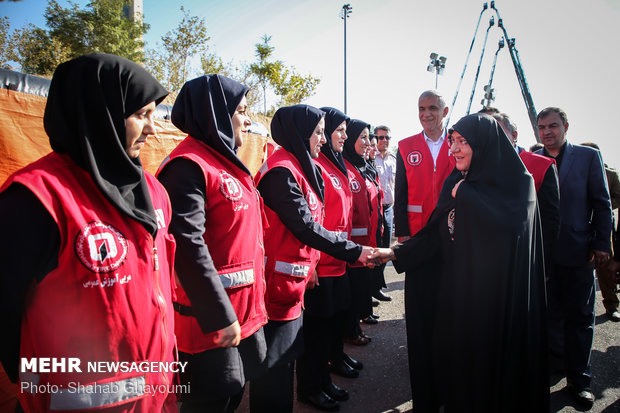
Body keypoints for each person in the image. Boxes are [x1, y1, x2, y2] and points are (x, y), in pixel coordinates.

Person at [0, 54, 178, 412]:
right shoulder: (35, 199)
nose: (152, 129)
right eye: (141, 115)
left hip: (155, 398)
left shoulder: (153, 189)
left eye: (152, 115)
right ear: (100, 114)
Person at [371, 113, 549, 412]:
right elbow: (434, 234)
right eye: (452, 141)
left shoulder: (519, 184)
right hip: (458, 299)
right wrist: (394, 253)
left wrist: (467, 195)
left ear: (484, 144)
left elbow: (509, 230)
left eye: (462, 142)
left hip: (496, 307)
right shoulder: (457, 180)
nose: (453, 149)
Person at [156, 75, 267, 413]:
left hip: (243, 314)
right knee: (210, 402)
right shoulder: (186, 167)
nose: (249, 121)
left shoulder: (226, 162)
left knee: (234, 395)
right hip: (209, 325)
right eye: (242, 111)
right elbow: (188, 247)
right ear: (216, 114)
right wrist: (219, 315)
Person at [251, 105, 372, 413]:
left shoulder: (298, 165)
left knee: (292, 353)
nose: (322, 138)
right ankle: (306, 391)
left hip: (296, 281)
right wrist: (356, 251)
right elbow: (306, 226)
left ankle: (316, 385)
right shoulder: (281, 171)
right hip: (277, 285)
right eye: (318, 132)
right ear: (299, 133)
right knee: (276, 365)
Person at [535, 107, 612, 408]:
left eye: (553, 126)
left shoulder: (588, 157)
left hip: (580, 252)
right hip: (542, 256)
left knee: (580, 319)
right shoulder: (532, 159)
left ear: (566, 126)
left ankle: (580, 381)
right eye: (542, 127)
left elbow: (602, 203)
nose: (547, 132)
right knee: (550, 316)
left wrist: (601, 243)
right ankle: (555, 366)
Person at [393, 90, 455, 407]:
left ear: (445, 111)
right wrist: (403, 237)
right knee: (419, 321)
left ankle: (448, 388)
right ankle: (425, 398)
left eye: (432, 108)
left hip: (450, 245)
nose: (426, 114)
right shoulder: (405, 146)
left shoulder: (458, 142)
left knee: (449, 320)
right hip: (417, 246)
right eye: (421, 108)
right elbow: (400, 195)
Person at [296, 106, 360, 411]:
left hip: (338, 259)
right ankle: (311, 385)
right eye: (339, 131)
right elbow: (311, 219)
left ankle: (326, 374)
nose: (344, 137)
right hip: (321, 263)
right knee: (317, 331)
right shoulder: (316, 166)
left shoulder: (334, 164)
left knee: (333, 323)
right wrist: (313, 264)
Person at [491, 112, 561, 280]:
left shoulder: (541, 165)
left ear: (514, 135)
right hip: (491, 263)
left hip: (527, 260)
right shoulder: (474, 167)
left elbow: (550, 221)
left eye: (499, 133)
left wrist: (544, 266)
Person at [342, 119, 380, 344]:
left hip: (367, 241)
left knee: (361, 287)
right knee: (352, 291)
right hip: (353, 246)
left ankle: (355, 327)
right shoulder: (345, 168)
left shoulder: (362, 167)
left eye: (369, 137)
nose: (368, 142)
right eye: (363, 137)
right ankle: (352, 331)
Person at [580, 142, 620, 322]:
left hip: (603, 226)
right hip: (581, 227)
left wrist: (600, 205)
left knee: (606, 268)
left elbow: (617, 197)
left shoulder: (610, 174)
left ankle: (612, 305)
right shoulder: (577, 171)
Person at [373, 125, 396, 303]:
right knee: (375, 245)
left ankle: (378, 286)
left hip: (389, 208)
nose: (384, 141)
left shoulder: (393, 160)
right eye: (380, 137)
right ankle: (371, 287)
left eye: (387, 137)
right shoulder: (371, 159)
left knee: (386, 247)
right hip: (375, 208)